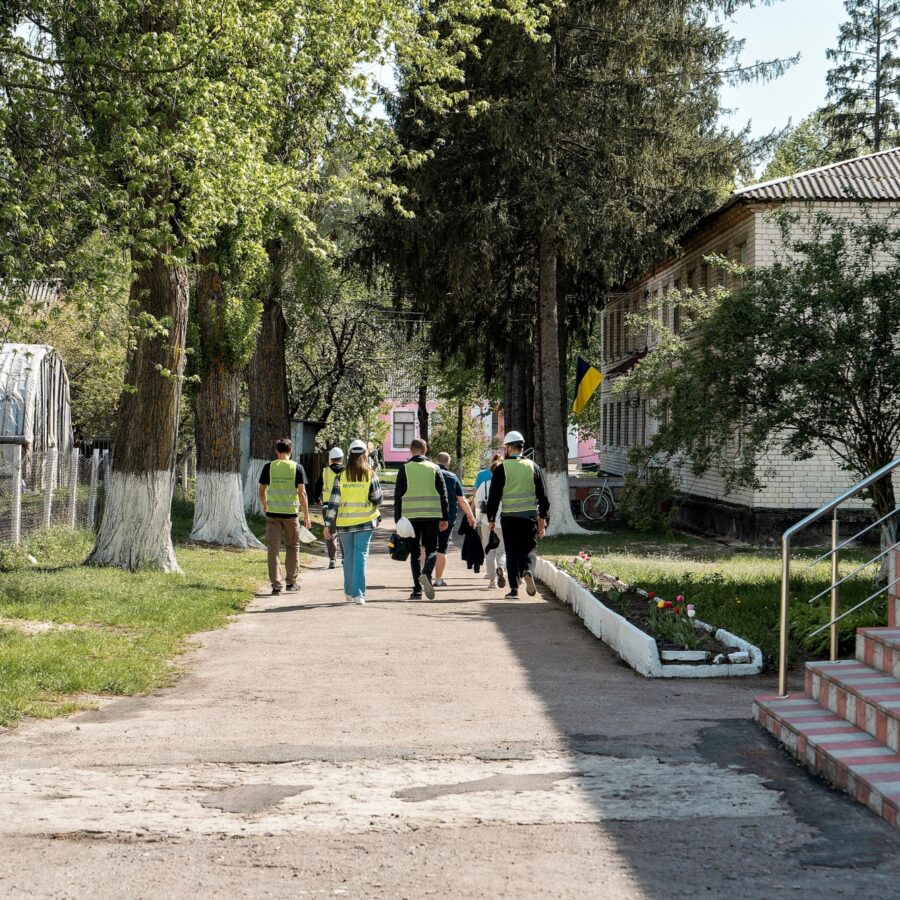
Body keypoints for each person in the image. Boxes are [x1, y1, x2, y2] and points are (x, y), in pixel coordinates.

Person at [486, 430, 550, 600]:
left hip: (509, 518)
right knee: (529, 548)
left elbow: (493, 496)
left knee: (512, 552)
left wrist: (491, 518)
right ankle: (528, 571)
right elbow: (543, 496)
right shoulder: (533, 467)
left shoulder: (501, 469)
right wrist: (542, 517)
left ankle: (514, 589)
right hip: (528, 517)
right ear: (522, 447)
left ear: (508, 448)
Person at [323, 439, 382, 605]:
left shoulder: (341, 476)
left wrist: (328, 524)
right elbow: (378, 499)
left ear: (349, 455)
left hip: (344, 523)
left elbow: (333, 502)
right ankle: (358, 594)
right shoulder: (370, 474)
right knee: (360, 556)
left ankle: (348, 591)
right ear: (365, 455)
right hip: (365, 522)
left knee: (348, 556)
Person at [394, 438, 449, 600]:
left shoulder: (404, 469)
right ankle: (426, 573)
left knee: (415, 553)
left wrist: (398, 519)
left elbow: (398, 496)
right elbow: (443, 495)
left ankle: (417, 590)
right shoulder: (434, 469)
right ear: (426, 450)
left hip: (410, 518)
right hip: (431, 516)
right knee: (432, 549)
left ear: (411, 451)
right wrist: (444, 517)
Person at [258, 437, 311, 595]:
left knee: (273, 549)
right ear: (290, 451)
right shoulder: (297, 468)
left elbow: (261, 491)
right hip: (290, 515)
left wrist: (265, 505)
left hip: (272, 514)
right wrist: (306, 516)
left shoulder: (269, 467)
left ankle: (275, 585)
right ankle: (291, 582)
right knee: (293, 547)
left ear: (276, 450)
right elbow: (302, 493)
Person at [432, 451, 475, 587]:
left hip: (429, 516)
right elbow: (461, 500)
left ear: (435, 461)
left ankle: (425, 575)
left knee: (426, 546)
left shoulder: (429, 474)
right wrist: (470, 515)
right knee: (442, 549)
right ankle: (438, 579)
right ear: (448, 464)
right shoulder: (452, 477)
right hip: (448, 518)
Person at [475, 456, 507, 589]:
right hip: (503, 520)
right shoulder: (507, 484)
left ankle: (492, 581)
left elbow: (477, 503)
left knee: (489, 550)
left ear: (490, 472)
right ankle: (501, 567)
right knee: (502, 549)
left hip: (486, 521)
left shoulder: (484, 485)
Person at [313, 447, 345, 568]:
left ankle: (332, 559)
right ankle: (345, 558)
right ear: (342, 458)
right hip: (343, 507)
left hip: (327, 506)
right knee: (342, 532)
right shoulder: (346, 471)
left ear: (330, 459)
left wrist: (317, 500)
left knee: (329, 533)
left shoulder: (325, 471)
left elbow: (317, 487)